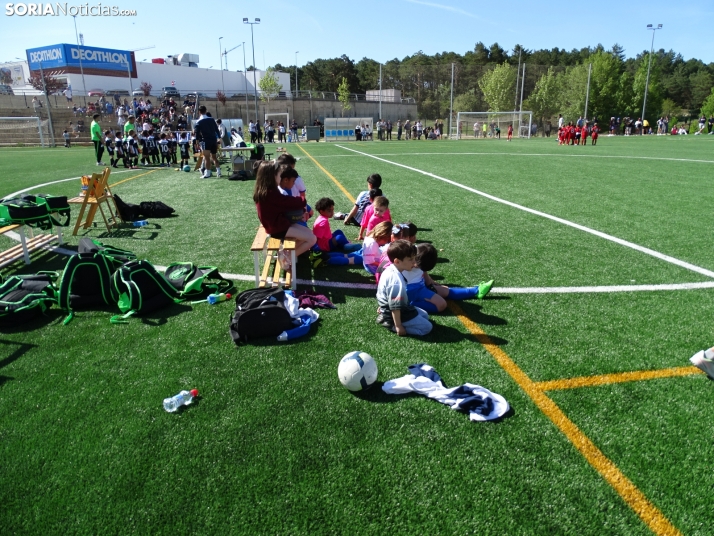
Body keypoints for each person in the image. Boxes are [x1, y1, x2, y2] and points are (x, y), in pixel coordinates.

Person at [404, 243, 493, 313]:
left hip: (420, 286)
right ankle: (409, 304)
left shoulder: (419, 255)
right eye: (418, 266)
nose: (417, 267)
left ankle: (477, 290)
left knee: (445, 291)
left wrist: (430, 282)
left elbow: (423, 271)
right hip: (412, 291)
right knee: (441, 305)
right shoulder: (404, 258)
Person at [253, 160, 316, 257]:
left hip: (278, 225)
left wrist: (302, 209)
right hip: (277, 228)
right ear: (272, 176)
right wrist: (302, 199)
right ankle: (287, 259)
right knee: (312, 239)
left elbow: (284, 204)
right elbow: (288, 203)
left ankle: (286, 254)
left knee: (310, 234)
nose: (280, 177)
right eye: (279, 175)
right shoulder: (271, 193)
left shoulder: (265, 190)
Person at [376, 240, 432, 337]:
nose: (414, 262)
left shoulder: (392, 268)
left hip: (398, 306)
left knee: (425, 315)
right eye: (410, 259)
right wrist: (398, 326)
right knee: (427, 328)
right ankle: (390, 324)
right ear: (397, 261)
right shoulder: (396, 281)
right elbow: (395, 307)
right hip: (394, 311)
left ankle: (387, 316)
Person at [311, 198, 363, 268]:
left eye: (332, 210)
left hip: (325, 240)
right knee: (339, 238)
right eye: (329, 211)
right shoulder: (323, 222)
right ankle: (346, 246)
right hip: (324, 246)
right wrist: (317, 250)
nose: (332, 212)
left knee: (338, 231)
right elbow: (317, 237)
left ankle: (345, 244)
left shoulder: (322, 218)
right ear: (321, 211)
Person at [193, 105, 221, 178]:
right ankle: (219, 172)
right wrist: (219, 138)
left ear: (199, 112)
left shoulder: (198, 121)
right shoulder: (212, 119)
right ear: (206, 111)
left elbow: (197, 133)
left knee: (207, 157)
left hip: (206, 141)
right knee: (214, 157)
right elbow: (216, 130)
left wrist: (197, 142)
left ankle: (207, 173)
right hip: (213, 140)